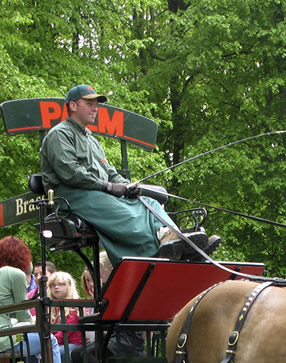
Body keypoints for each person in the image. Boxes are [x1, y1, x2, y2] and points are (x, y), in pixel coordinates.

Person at [39, 84, 220, 264]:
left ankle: (176, 240)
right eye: (89, 103)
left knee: (149, 202)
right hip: (73, 195)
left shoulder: (92, 140)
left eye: (96, 104)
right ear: (73, 105)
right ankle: (153, 256)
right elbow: (70, 172)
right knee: (131, 217)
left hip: (96, 192)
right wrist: (109, 186)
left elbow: (109, 171)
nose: (95, 108)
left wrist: (128, 186)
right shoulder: (60, 134)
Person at [0, 236, 63, 363]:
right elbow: (23, 316)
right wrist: (35, 319)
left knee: (32, 343)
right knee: (49, 340)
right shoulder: (16, 274)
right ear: (23, 256)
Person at [46, 270, 85, 361]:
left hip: (74, 344)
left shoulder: (74, 306)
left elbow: (65, 332)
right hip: (59, 343)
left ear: (69, 286)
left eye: (61, 284)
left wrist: (49, 342)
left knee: (51, 354)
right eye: (52, 285)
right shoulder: (53, 308)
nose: (56, 287)